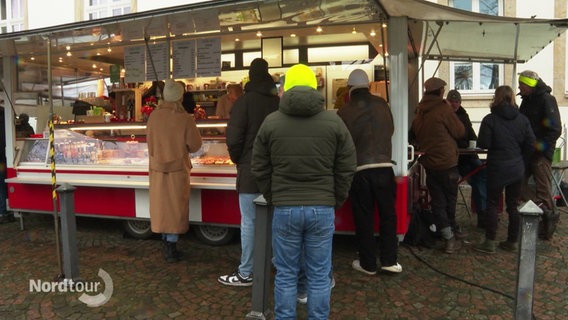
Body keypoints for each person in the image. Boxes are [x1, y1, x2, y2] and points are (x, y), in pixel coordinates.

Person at [251, 63, 356, 319]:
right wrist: (335, 199)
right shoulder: (334, 121)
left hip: (285, 208)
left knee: (286, 273)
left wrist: (275, 196)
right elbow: (347, 166)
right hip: (321, 207)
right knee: (319, 274)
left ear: (284, 89)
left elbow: (259, 166)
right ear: (314, 87)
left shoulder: (271, 122)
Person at [218, 58, 279, 286]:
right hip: (274, 173)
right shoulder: (277, 103)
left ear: (250, 77)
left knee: (250, 223)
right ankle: (276, 262)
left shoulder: (243, 102)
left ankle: (247, 272)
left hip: (250, 171)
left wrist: (239, 159)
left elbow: (233, 138)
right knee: (273, 220)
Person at [337, 69, 401, 275]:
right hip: (384, 167)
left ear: (349, 88)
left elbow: (340, 144)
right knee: (388, 215)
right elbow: (391, 129)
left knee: (363, 217)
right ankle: (390, 260)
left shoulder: (344, 111)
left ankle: (368, 264)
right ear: (368, 86)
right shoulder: (382, 105)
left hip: (360, 170)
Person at [473, 85, 536, 254]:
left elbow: (484, 143)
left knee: (492, 204)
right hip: (516, 168)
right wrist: (521, 160)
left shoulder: (490, 119)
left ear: (497, 98)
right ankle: (512, 241)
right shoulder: (522, 119)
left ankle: (490, 242)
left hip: (497, 167)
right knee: (513, 205)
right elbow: (531, 144)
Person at [146, 79, 202, 263]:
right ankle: (171, 246)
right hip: (177, 169)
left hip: (156, 168)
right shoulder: (184, 118)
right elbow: (195, 145)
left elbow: (149, 142)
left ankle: (165, 241)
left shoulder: (153, 116)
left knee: (161, 206)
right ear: (179, 96)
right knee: (175, 207)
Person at [409, 77, 465, 254]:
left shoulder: (420, 111)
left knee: (438, 202)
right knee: (450, 201)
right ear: (441, 92)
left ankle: (448, 236)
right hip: (447, 163)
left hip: (430, 164)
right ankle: (451, 238)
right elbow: (460, 131)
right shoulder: (443, 109)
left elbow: (415, 134)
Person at [518, 70, 562, 240]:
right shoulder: (527, 101)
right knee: (518, 183)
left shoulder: (546, 100)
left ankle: (547, 224)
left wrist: (539, 148)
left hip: (541, 154)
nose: (520, 87)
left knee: (543, 189)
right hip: (527, 152)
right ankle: (545, 210)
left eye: (522, 84)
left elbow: (554, 129)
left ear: (530, 85)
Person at [446, 89, 488, 229]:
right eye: (451, 101)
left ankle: (483, 214)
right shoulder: (444, 115)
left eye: (456, 101)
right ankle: (449, 219)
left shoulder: (464, 115)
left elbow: (471, 135)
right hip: (453, 159)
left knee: (481, 176)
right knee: (452, 183)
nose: (454, 104)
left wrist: (474, 146)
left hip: (467, 156)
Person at [0, 107, 13, 224]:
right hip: (1, 161)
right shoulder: (4, 124)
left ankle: (3, 210)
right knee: (1, 187)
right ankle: (3, 211)